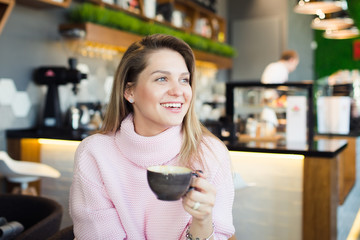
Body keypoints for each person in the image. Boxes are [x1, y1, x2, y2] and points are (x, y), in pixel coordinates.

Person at [69, 34, 235, 239]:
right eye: (162, 79)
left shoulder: (211, 153)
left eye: (184, 80)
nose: (178, 91)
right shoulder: (95, 153)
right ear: (129, 91)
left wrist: (202, 220)